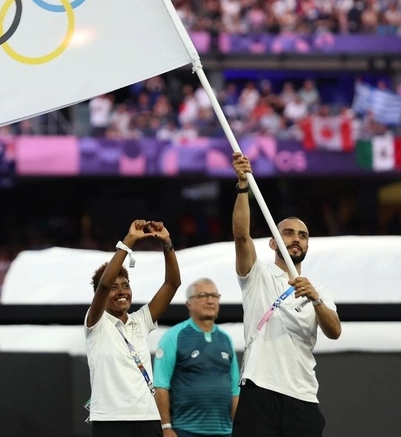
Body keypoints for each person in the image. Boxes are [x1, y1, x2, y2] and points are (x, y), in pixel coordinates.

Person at [231, 153, 341, 437]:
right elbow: (242, 236)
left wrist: (315, 299)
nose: (296, 239)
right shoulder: (258, 275)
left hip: (302, 395)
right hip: (260, 389)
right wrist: (243, 186)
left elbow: (334, 331)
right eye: (288, 233)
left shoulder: (320, 290)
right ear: (272, 242)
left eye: (302, 235)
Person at [85, 219, 181, 437]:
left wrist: (167, 243)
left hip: (148, 418)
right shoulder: (96, 323)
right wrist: (128, 243)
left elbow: (172, 283)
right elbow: (104, 285)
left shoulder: (141, 320)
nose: (122, 291)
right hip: (111, 421)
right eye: (115, 287)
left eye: (126, 286)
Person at [153, 278, 240, 437]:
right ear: (189, 303)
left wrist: (239, 429)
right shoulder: (174, 336)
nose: (210, 300)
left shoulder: (226, 339)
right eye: (203, 295)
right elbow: (160, 385)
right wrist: (165, 427)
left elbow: (235, 389)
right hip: (185, 431)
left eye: (214, 296)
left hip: (226, 432)